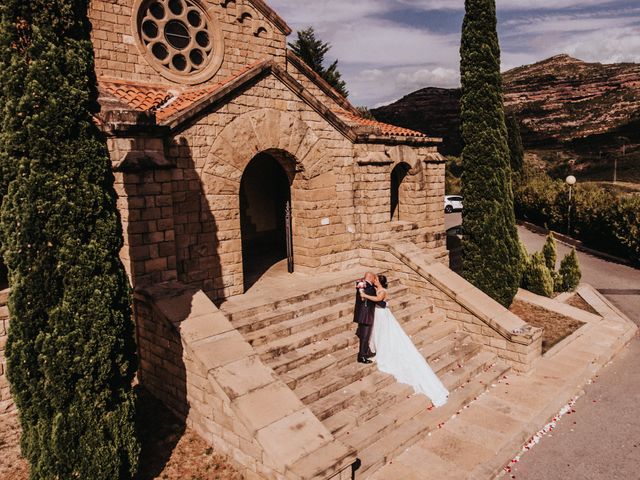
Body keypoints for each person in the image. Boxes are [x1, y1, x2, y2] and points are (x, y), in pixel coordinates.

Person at [360, 274, 449, 407]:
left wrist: (365, 295)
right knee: (379, 334)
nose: (374, 280)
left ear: (380, 282)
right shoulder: (373, 287)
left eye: (376, 279)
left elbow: (378, 299)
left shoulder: (383, 291)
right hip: (378, 315)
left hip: (383, 316)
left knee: (385, 335)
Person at [353, 272, 377, 364]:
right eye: (374, 278)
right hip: (365, 314)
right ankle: (361, 356)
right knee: (365, 336)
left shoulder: (365, 284)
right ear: (371, 278)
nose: (375, 280)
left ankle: (366, 352)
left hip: (364, 314)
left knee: (365, 335)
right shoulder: (362, 283)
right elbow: (362, 296)